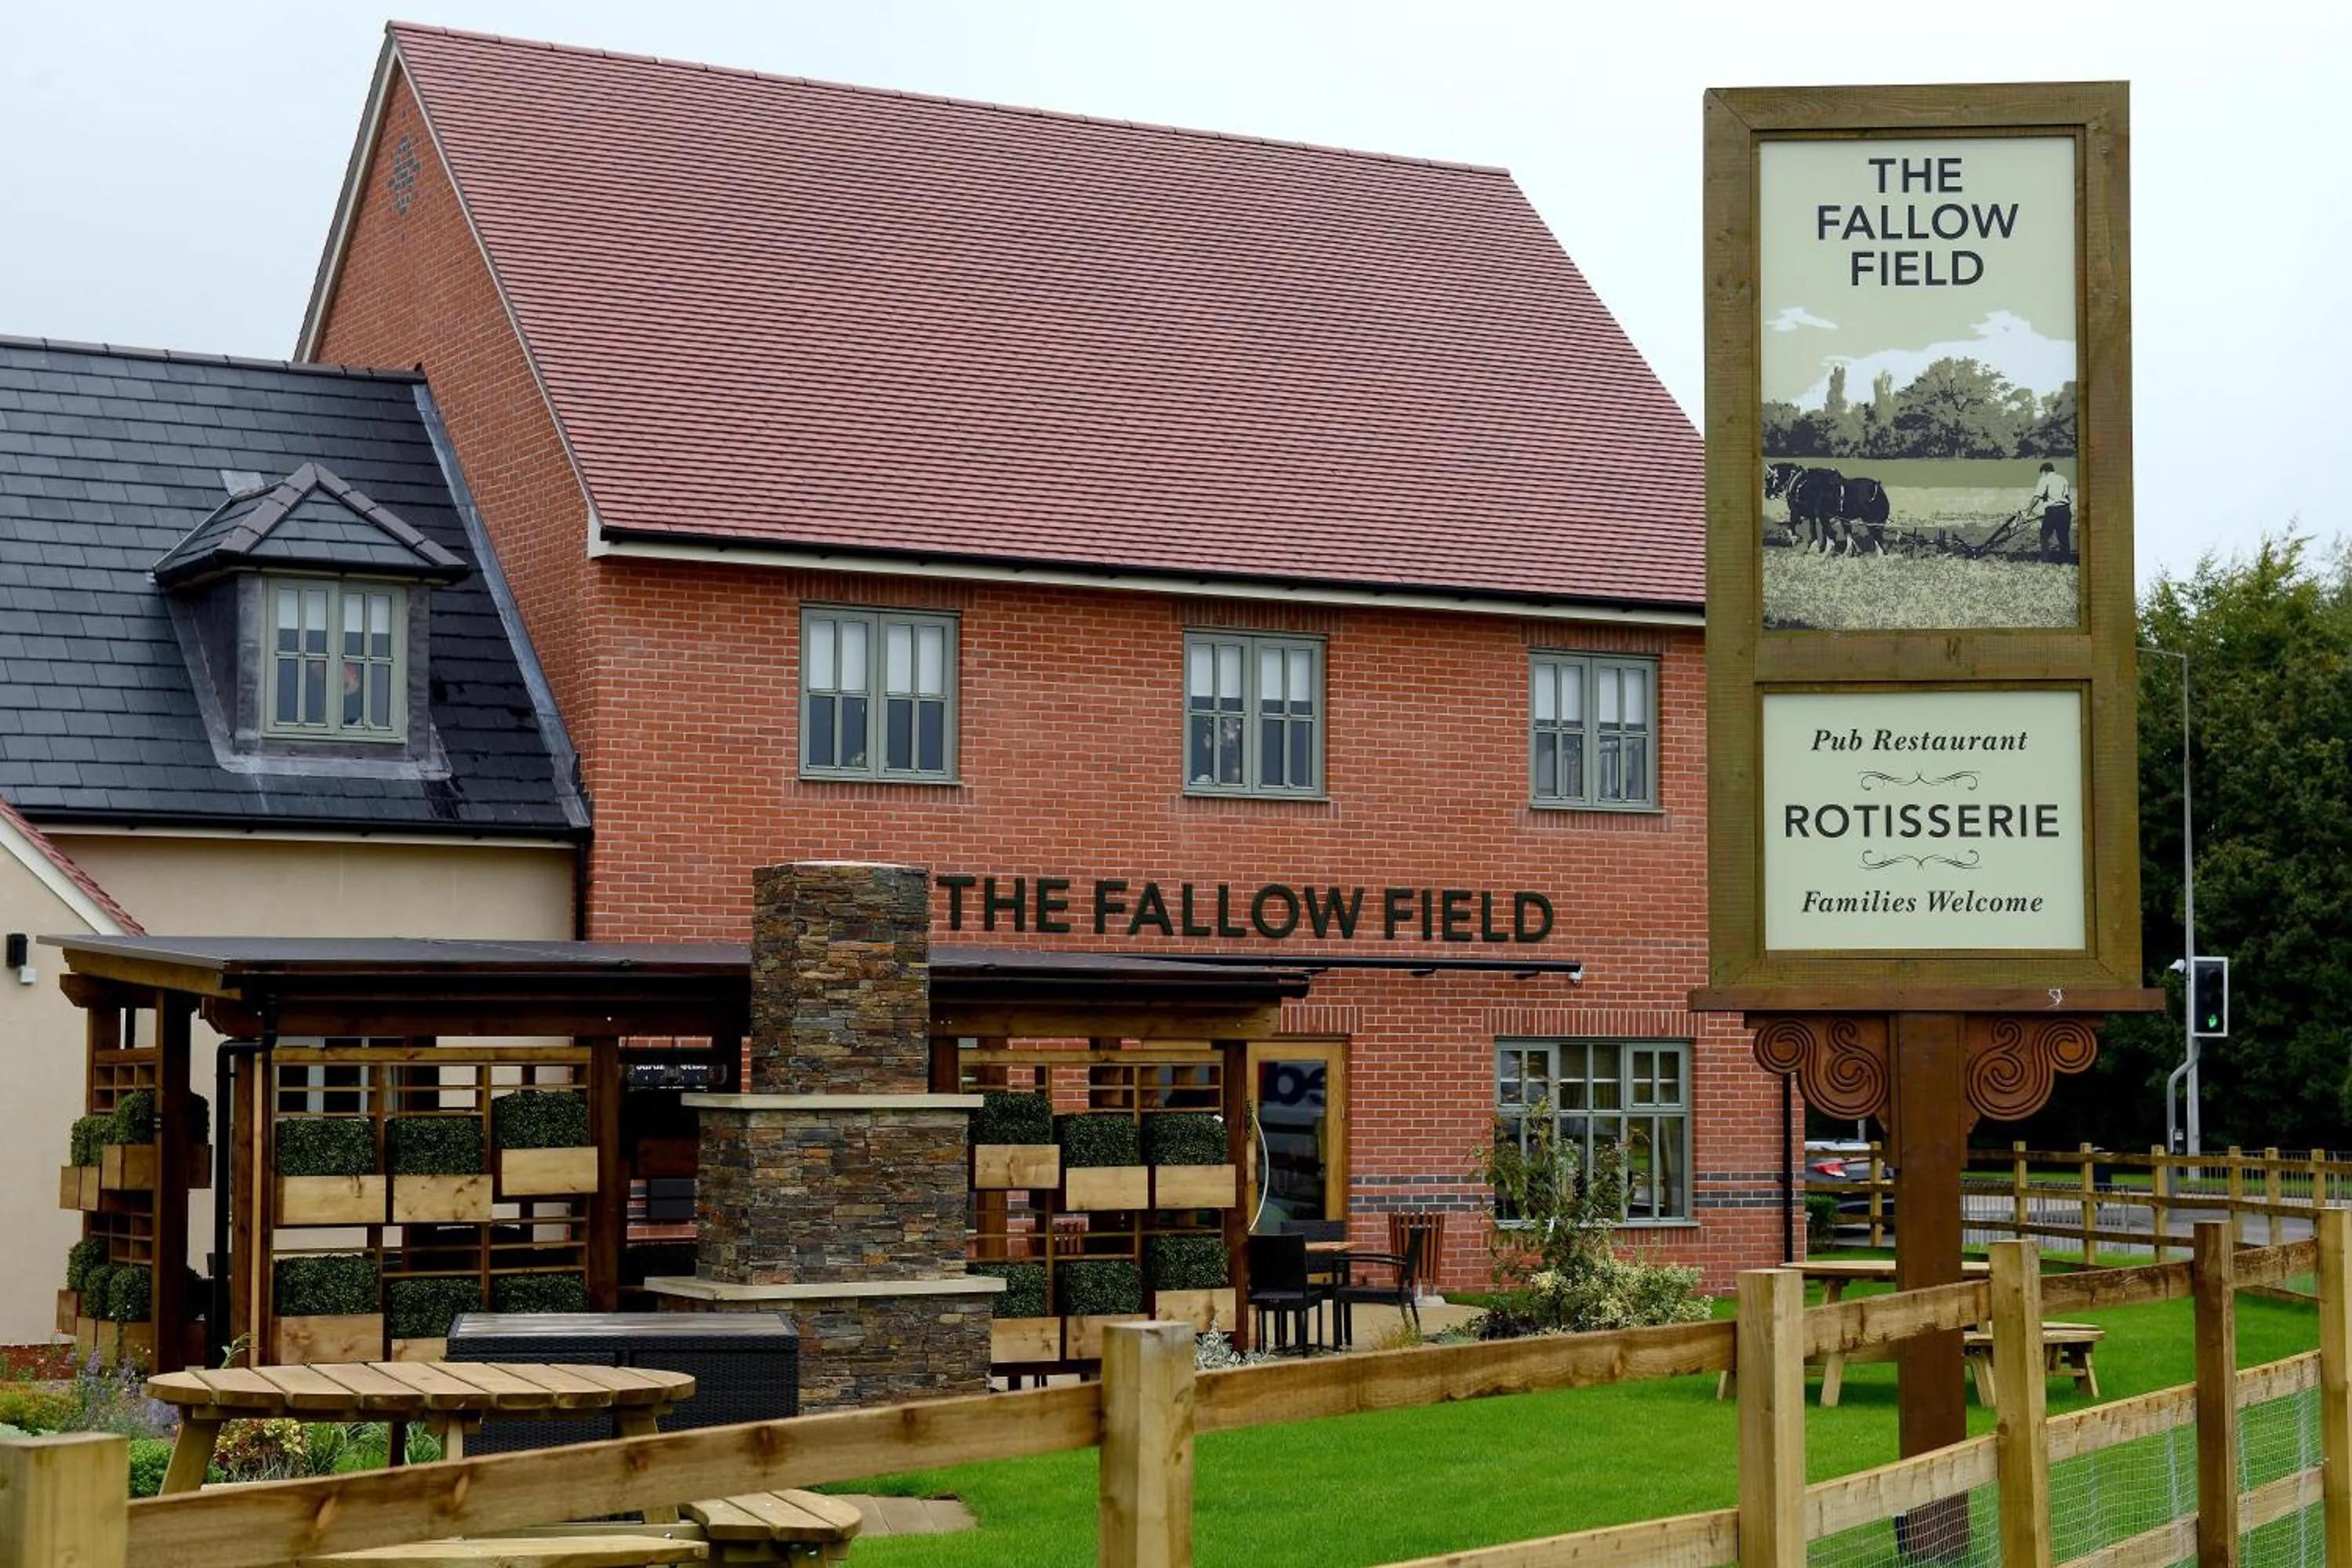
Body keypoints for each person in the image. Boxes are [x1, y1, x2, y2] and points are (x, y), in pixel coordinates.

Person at [2026, 461, 2074, 564]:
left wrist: (2028, 512)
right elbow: (2065, 496)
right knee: (2063, 536)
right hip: (2065, 510)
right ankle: (2065, 561)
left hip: (2053, 511)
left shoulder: (2045, 479)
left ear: (2044, 471)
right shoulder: (2063, 479)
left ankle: (2044, 559)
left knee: (2044, 535)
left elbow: (2037, 497)